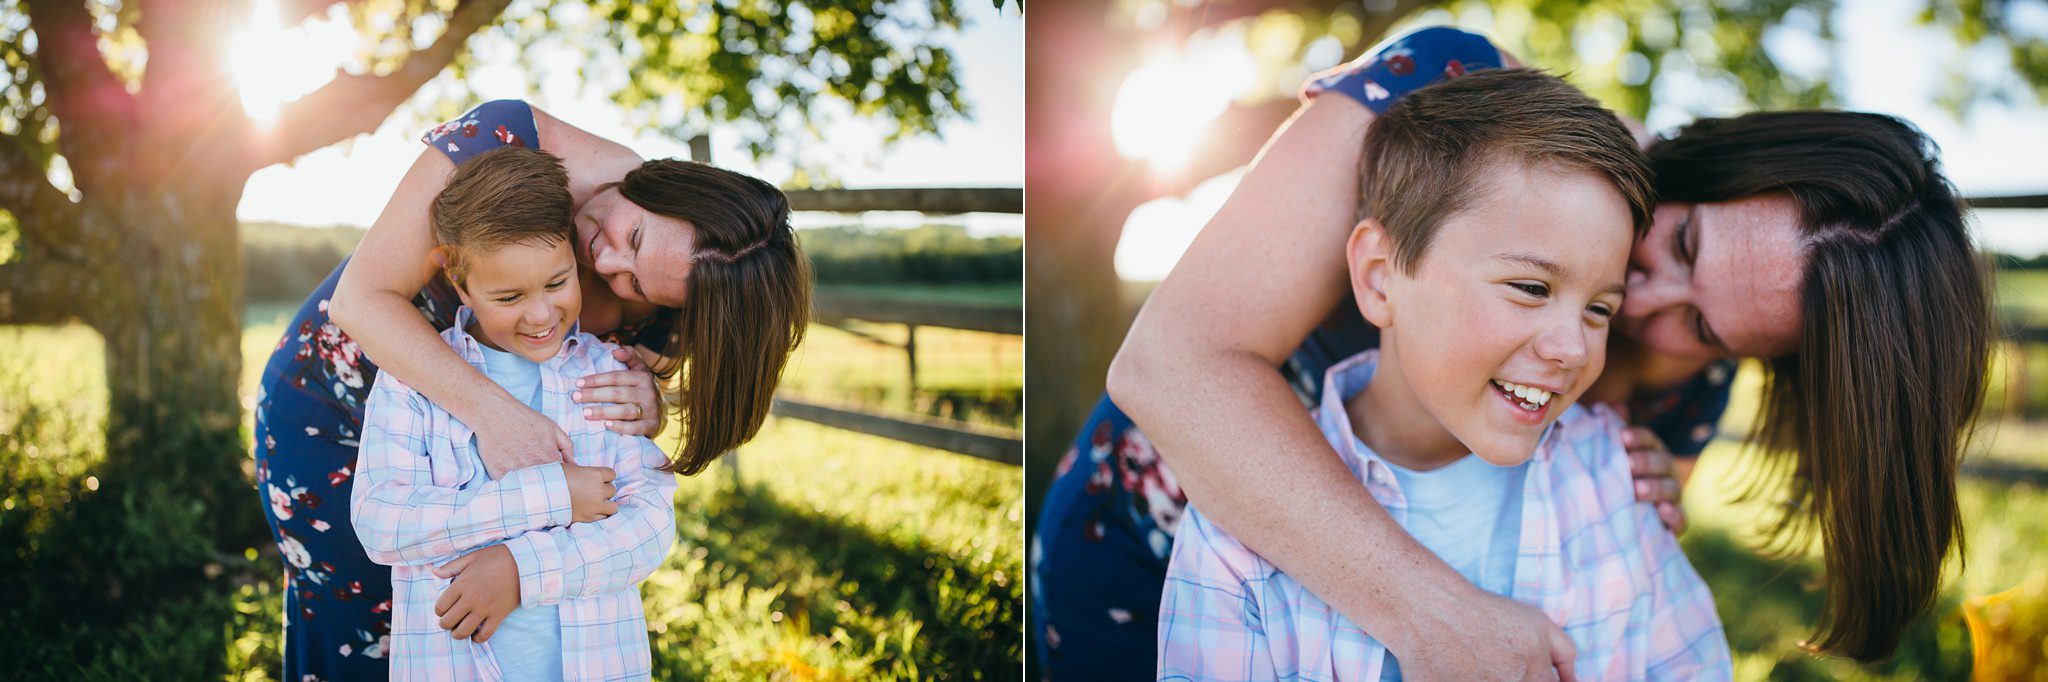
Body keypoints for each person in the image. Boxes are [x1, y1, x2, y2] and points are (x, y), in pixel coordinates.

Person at [1033, 26, 1989, 679]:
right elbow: (1171, 367)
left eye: (1707, 330)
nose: (1645, 307)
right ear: (1702, 160)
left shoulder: (1690, 391)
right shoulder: (1448, 105)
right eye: (1684, 243)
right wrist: (1432, 616)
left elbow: (1599, 598)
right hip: (1149, 551)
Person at [1155, 68, 1729, 681]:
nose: (1574, 348)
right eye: (1532, 287)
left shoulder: (1613, 483)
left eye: (1599, 309)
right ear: (1379, 276)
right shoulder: (1239, 534)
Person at [254, 99, 811, 680]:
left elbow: (616, 426)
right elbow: (359, 300)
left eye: (636, 283)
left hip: (491, 494)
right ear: (667, 185)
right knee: (359, 633)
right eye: (636, 236)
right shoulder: (504, 140)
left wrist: (648, 400)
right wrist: (495, 415)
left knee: (448, 632)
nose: (608, 261)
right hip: (339, 406)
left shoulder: (687, 287)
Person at [351, 146, 678, 680]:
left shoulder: (604, 375)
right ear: (459, 282)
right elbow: (382, 524)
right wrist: (551, 494)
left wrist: (523, 570)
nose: (542, 314)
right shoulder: (413, 380)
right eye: (508, 297)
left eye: (557, 283)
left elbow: (650, 526)